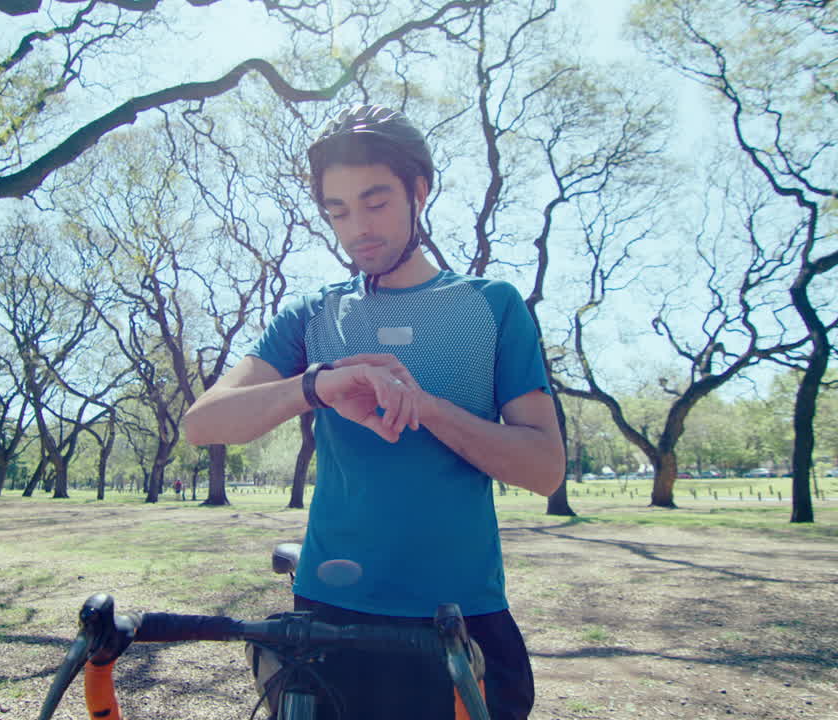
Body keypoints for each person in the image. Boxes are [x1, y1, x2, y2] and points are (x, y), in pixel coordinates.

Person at [182, 105, 565, 720]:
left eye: (375, 201)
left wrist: (431, 409)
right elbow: (203, 423)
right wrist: (316, 385)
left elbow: (545, 468)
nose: (356, 226)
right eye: (337, 210)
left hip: (461, 620)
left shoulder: (493, 306)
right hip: (328, 623)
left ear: (419, 190)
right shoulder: (311, 316)